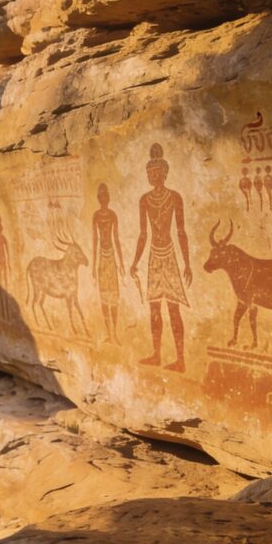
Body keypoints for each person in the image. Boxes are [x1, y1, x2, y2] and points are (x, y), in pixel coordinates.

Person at [130, 143, 192, 372]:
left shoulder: (175, 197)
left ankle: (181, 359)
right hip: (154, 257)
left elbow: (181, 231)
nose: (152, 176)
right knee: (154, 308)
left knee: (173, 308)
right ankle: (156, 354)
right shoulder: (144, 200)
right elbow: (143, 234)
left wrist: (187, 263)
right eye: (149, 172)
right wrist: (135, 262)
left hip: (170, 256)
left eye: (156, 172)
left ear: (165, 173)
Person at [91, 183, 124, 344]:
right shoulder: (96, 216)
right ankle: (108, 334)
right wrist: (93, 265)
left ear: (108, 198)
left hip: (111, 258)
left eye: (106, 196)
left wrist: (121, 263)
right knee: (104, 297)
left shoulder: (112, 215)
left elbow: (116, 238)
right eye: (101, 196)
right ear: (99, 199)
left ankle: (115, 333)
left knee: (114, 297)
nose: (104, 199)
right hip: (102, 260)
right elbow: (95, 240)